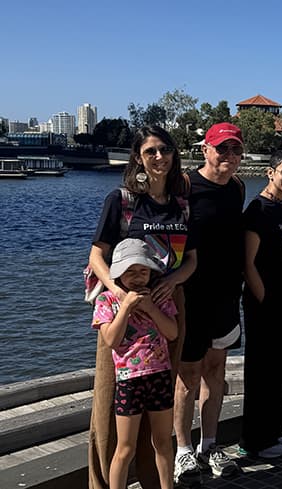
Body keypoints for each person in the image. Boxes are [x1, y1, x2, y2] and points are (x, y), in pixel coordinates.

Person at [88, 125, 196, 489]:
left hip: (166, 307)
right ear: (138, 157)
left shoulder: (181, 204)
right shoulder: (121, 200)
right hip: (123, 311)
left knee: (160, 408)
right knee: (108, 408)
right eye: (150, 151)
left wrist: (172, 281)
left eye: (165, 150)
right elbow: (97, 255)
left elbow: (191, 260)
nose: (159, 157)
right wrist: (117, 293)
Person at [173, 122, 246, 483]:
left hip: (227, 295)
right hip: (190, 296)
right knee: (187, 375)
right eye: (222, 149)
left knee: (216, 371)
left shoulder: (237, 188)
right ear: (205, 150)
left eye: (236, 150)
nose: (229, 157)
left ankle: (210, 444)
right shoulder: (184, 187)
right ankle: (183, 451)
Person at [93, 239, 178, 489]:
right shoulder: (107, 301)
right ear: (118, 273)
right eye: (130, 271)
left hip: (159, 374)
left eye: (143, 271)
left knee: (163, 441)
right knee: (125, 447)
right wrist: (126, 308)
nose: (138, 277)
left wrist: (151, 308)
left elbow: (172, 333)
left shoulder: (160, 298)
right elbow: (111, 339)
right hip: (129, 380)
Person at [239, 150, 282, 458]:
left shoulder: (280, 207)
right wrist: (263, 299)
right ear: (270, 172)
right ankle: (255, 440)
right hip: (265, 304)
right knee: (261, 371)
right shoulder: (258, 211)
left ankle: (274, 432)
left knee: (279, 368)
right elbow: (248, 264)